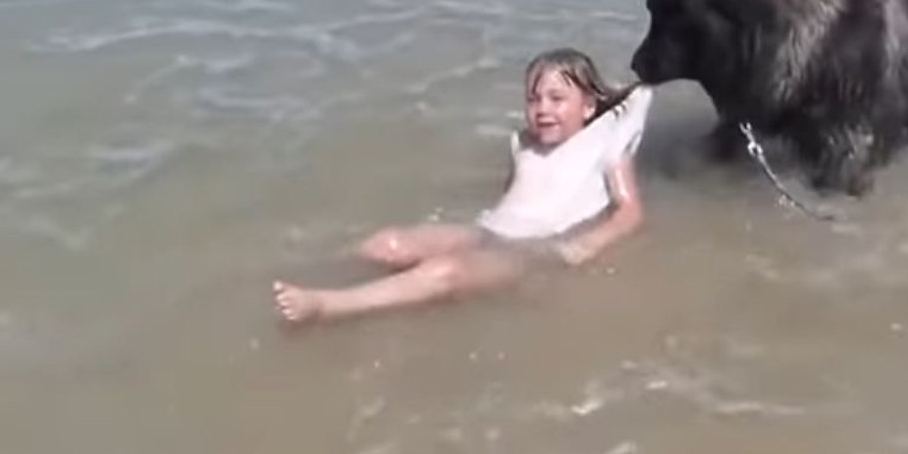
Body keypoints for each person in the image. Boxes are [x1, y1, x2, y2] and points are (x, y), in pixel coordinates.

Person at [273, 47, 653, 323]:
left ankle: (329, 305)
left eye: (557, 99)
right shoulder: (523, 144)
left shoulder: (606, 145)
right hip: (487, 232)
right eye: (533, 99)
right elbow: (512, 198)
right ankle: (297, 266)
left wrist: (587, 245)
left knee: (446, 271)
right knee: (389, 243)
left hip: (535, 252)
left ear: (588, 107)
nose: (543, 109)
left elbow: (630, 211)